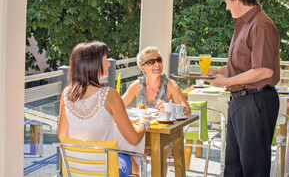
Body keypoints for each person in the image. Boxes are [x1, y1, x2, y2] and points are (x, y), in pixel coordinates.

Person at [205, 0, 280, 176]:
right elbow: (246, 65)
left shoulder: (261, 25)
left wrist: (226, 81)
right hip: (241, 102)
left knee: (253, 168)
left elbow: (264, 70)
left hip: (255, 101)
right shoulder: (245, 24)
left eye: (226, 2)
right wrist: (218, 72)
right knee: (234, 167)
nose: (227, 7)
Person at [57, 41, 148, 177]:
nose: (109, 63)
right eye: (105, 59)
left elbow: (62, 135)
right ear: (94, 64)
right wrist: (143, 123)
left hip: (75, 171)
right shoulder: (110, 95)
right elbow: (134, 139)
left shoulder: (66, 94)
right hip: (104, 172)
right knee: (131, 160)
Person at [122, 45, 191, 176]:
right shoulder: (137, 86)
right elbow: (119, 105)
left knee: (159, 151)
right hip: (142, 136)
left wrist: (170, 107)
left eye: (159, 60)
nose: (157, 64)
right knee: (120, 148)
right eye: (151, 62)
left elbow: (187, 111)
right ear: (143, 67)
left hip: (166, 137)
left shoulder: (170, 85)